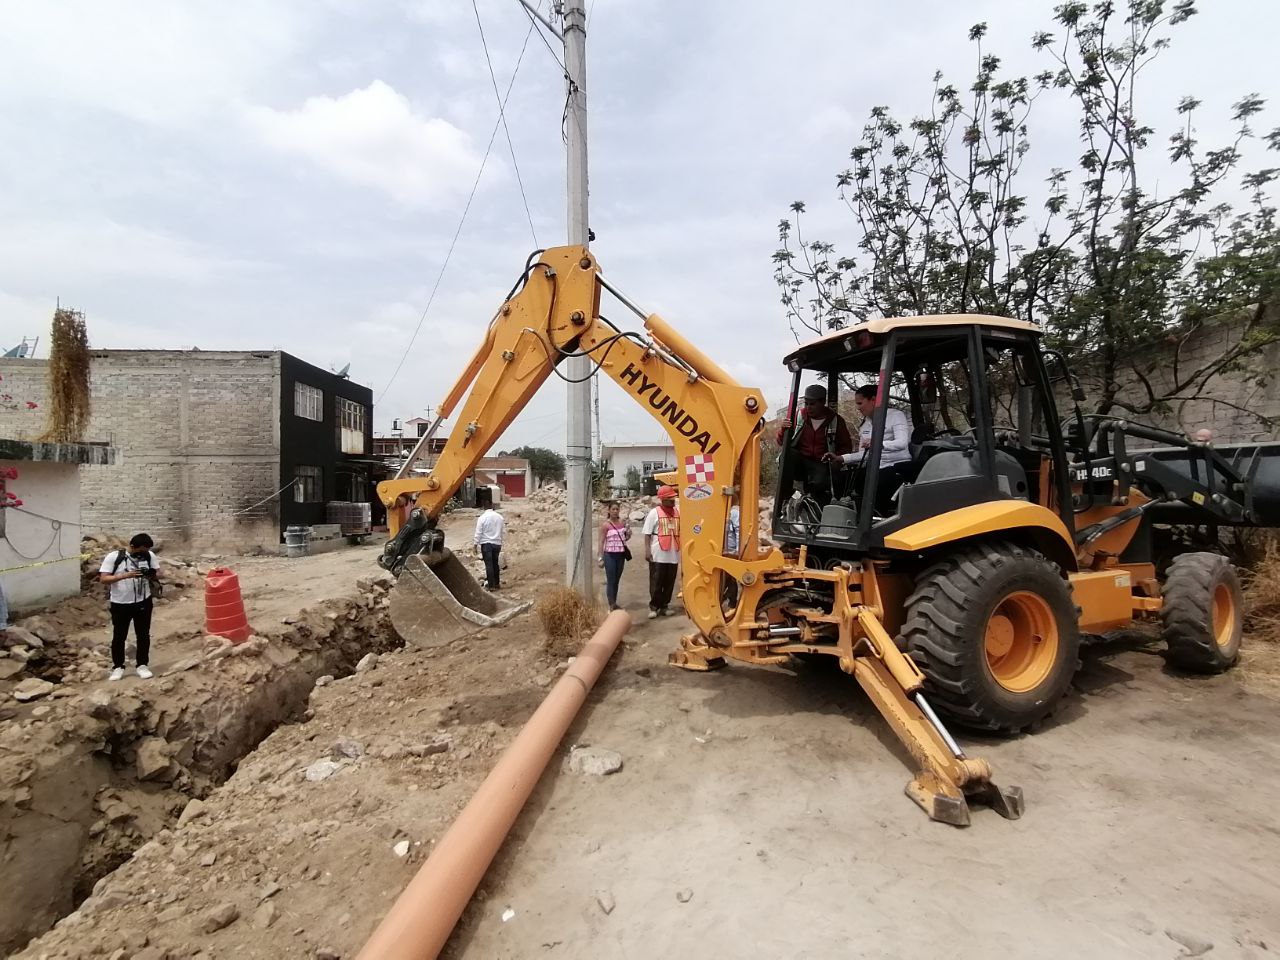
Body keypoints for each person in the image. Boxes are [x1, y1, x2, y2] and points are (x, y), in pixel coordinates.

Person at [826, 384, 913, 512]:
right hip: (874, 467)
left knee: (876, 482)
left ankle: (879, 516)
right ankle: (844, 514)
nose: (858, 408)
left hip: (896, 466)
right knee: (841, 479)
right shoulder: (865, 425)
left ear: (874, 400)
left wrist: (877, 443)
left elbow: (902, 442)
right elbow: (865, 454)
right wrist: (842, 458)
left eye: (860, 403)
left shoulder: (895, 416)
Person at [99, 533, 160, 681]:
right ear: (132, 546)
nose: (143, 553)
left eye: (145, 550)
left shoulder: (149, 555)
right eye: (141, 550)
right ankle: (118, 667)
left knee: (143, 635)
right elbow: (104, 578)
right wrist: (125, 576)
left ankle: (142, 665)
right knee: (119, 636)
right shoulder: (114, 557)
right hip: (120, 602)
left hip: (143, 601)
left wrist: (150, 574)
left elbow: (158, 573)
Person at [780, 383, 854, 503]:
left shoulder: (836, 421)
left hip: (822, 463)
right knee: (788, 453)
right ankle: (786, 494)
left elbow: (845, 446)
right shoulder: (799, 416)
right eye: (806, 403)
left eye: (812, 404)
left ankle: (812, 503)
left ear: (822, 402)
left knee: (819, 487)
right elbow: (781, 442)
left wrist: (837, 461)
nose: (808, 407)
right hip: (801, 462)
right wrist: (783, 429)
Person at [643, 485, 681, 619]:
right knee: (656, 581)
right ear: (663, 499)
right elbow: (647, 533)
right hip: (658, 553)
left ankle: (665, 605)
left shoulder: (677, 512)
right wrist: (647, 550)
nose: (673, 501)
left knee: (669, 581)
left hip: (673, 553)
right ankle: (654, 607)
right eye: (670, 498)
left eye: (673, 498)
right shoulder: (654, 513)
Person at [597, 502, 632, 611]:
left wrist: (628, 533)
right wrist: (600, 558)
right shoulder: (605, 525)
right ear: (609, 510)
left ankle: (614, 602)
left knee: (617, 580)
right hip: (609, 555)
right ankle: (611, 604)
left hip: (620, 555)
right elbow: (601, 542)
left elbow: (624, 538)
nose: (615, 511)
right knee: (611, 580)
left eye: (617, 509)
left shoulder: (622, 523)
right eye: (613, 509)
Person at [473, 503, 505, 591]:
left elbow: (478, 532)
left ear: (483, 507)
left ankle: (491, 585)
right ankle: (497, 583)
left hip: (486, 544)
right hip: (497, 544)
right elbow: (503, 531)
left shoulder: (482, 518)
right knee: (495, 563)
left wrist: (475, 545)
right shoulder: (500, 517)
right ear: (493, 507)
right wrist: (500, 541)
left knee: (489, 565)